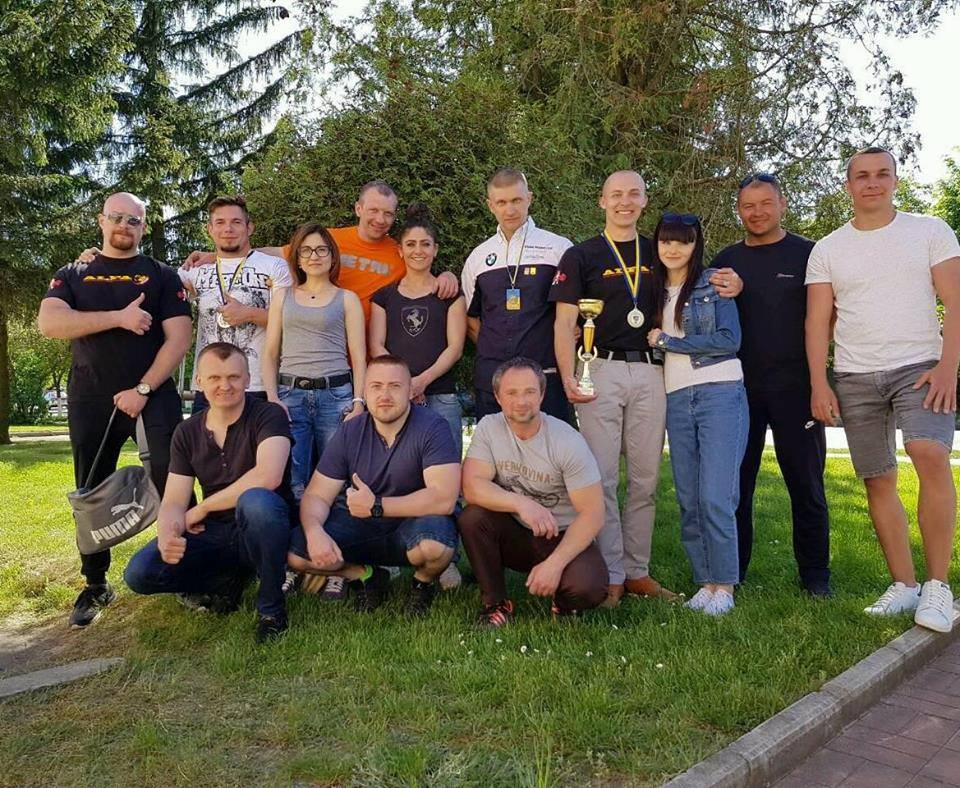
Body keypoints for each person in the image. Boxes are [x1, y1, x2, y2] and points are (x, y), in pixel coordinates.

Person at [550, 170, 743, 607]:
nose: (624, 201)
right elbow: (564, 324)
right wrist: (567, 377)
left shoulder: (658, 252)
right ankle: (611, 575)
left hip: (654, 371)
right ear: (602, 201)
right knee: (601, 478)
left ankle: (637, 570)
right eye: (616, 194)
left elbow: (698, 281)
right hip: (599, 370)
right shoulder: (580, 255)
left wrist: (734, 281)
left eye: (633, 194)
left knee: (645, 480)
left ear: (644, 201)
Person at [806, 146, 960, 632]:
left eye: (881, 174)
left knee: (928, 452)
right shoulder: (828, 248)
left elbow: (956, 301)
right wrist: (820, 382)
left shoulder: (930, 231)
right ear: (848, 184)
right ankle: (904, 584)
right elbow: (817, 322)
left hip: (921, 367)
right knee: (877, 478)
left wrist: (948, 368)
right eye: (861, 176)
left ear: (895, 180)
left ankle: (938, 587)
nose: (871, 183)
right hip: (856, 375)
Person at [37, 192, 192, 628]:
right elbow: (50, 323)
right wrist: (118, 317)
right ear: (102, 221)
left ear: (144, 226)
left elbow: (180, 337)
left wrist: (143, 388)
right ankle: (95, 583)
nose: (125, 225)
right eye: (117, 217)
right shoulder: (74, 273)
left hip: (153, 393)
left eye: (134, 220)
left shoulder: (161, 275)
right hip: (90, 395)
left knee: (174, 478)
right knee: (90, 487)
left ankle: (188, 572)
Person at [123, 343, 298, 643]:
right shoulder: (187, 432)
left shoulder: (269, 415)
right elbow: (174, 500)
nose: (224, 386)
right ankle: (223, 581)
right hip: (216, 532)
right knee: (140, 573)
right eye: (215, 378)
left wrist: (202, 508)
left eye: (233, 377)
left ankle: (271, 609)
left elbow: (268, 477)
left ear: (247, 379)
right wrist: (168, 533)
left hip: (265, 528)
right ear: (199, 382)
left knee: (256, 501)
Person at [712, 174, 831, 596]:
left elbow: (828, 319)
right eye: (748, 205)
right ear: (738, 210)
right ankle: (733, 572)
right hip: (738, 388)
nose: (757, 212)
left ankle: (815, 576)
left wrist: (821, 383)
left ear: (782, 203)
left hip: (796, 387)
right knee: (736, 485)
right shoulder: (725, 261)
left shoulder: (810, 255)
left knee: (806, 483)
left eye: (766, 203)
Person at [75, 195, 292, 413]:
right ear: (210, 229)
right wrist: (105, 259)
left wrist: (249, 314)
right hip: (208, 387)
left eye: (236, 222)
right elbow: (142, 283)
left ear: (249, 227)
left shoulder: (275, 267)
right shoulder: (192, 271)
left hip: (259, 385)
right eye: (220, 222)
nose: (228, 229)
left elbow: (294, 322)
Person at [287, 355, 461, 616]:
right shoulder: (350, 431)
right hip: (359, 524)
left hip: (413, 523)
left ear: (410, 391)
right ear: (365, 392)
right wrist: (314, 532)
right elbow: (317, 495)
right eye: (376, 386)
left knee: (437, 545)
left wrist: (377, 506)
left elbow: (443, 498)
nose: (385, 395)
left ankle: (421, 583)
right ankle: (365, 575)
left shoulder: (433, 427)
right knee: (296, 553)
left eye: (395, 386)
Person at [647, 214, 748, 615]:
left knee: (715, 497)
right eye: (666, 241)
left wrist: (669, 342)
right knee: (689, 498)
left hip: (719, 391)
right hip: (676, 397)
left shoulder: (712, 283)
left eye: (683, 241)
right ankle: (705, 583)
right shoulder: (652, 290)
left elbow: (729, 339)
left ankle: (725, 586)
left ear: (696, 245)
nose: (673, 249)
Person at [459, 358, 607, 627]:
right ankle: (496, 604)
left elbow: (593, 514)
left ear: (542, 394)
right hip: (514, 531)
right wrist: (521, 504)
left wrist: (555, 564)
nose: (521, 401)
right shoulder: (489, 428)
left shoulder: (567, 440)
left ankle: (563, 602)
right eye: (511, 393)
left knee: (588, 587)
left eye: (529, 391)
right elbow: (471, 487)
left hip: (560, 534)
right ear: (497, 397)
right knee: (473, 517)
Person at [183, 181, 460, 316]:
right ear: (359, 208)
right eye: (373, 210)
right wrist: (218, 256)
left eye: (388, 213)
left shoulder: (398, 251)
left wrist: (447, 276)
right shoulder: (330, 239)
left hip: (370, 355)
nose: (380, 219)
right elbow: (280, 253)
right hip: (328, 346)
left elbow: (422, 275)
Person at [262, 223, 367, 499]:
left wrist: (359, 402)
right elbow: (270, 352)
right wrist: (273, 397)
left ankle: (333, 526)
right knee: (294, 479)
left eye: (321, 249)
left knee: (337, 478)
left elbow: (358, 356)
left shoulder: (347, 299)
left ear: (332, 256)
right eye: (306, 250)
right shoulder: (282, 297)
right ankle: (298, 527)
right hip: (290, 395)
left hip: (336, 396)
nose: (314, 256)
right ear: (297, 258)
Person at [461, 168, 573, 421]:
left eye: (516, 200)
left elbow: (570, 319)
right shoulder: (478, 257)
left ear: (529, 199)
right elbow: (471, 320)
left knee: (552, 446)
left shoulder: (558, 248)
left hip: (546, 379)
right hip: (493, 381)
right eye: (501, 202)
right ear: (490, 205)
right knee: (494, 447)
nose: (509, 210)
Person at [370, 203, 467, 457]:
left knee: (445, 465)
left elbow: (455, 348)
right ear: (400, 250)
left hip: (441, 396)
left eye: (425, 244)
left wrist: (421, 382)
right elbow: (376, 346)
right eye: (410, 244)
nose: (418, 251)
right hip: (395, 397)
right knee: (398, 465)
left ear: (435, 250)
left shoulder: (451, 295)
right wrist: (404, 384)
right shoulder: (383, 297)